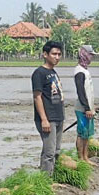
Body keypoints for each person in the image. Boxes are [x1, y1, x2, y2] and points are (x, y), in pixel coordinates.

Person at [31, 40, 65, 175]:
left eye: (59, 54)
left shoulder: (53, 72)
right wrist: (44, 119)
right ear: (45, 54)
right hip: (48, 118)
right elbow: (37, 97)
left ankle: (51, 176)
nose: (57, 57)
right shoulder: (39, 73)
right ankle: (45, 181)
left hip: (58, 116)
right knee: (49, 152)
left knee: (56, 150)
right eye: (54, 54)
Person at [74, 45, 99, 166]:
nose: (91, 58)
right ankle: (81, 158)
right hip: (82, 109)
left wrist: (92, 107)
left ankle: (86, 157)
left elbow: (88, 91)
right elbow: (81, 92)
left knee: (87, 134)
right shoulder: (79, 72)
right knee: (82, 133)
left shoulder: (85, 71)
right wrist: (87, 108)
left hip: (89, 108)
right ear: (84, 55)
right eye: (90, 55)